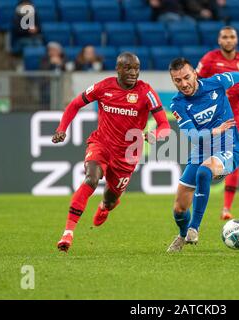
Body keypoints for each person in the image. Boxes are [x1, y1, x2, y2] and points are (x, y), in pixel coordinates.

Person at [54, 52, 171, 252]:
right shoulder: (103, 87)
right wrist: (61, 129)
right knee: (91, 179)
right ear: (118, 69)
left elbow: (165, 125)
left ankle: (105, 207)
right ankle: (68, 233)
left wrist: (155, 135)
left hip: (127, 156)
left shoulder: (146, 92)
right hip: (101, 145)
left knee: (110, 200)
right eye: (128, 68)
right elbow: (74, 105)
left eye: (136, 68)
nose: (133, 72)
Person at [166, 57, 239, 252]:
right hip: (200, 151)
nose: (184, 84)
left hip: (228, 148)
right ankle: (183, 234)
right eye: (178, 80)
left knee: (204, 172)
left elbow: (235, 76)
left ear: (194, 72)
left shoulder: (215, 83)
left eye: (186, 77)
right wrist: (214, 131)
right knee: (179, 209)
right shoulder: (178, 105)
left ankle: (194, 227)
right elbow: (193, 135)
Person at [196, 26, 239, 221]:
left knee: (235, 159)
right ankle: (212, 175)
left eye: (231, 37)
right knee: (209, 163)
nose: (228, 40)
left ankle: (226, 208)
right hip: (216, 117)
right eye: (225, 37)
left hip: (237, 117)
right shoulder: (209, 60)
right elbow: (197, 85)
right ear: (219, 40)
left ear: (236, 40)